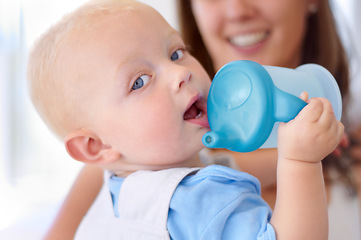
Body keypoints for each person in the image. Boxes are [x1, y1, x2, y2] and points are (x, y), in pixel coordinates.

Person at [42, 0, 360, 239]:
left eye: (176, 53)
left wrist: (329, 152)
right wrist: (300, 160)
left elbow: (219, 164)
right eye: (138, 81)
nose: (181, 73)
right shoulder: (200, 195)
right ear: (96, 146)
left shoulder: (131, 175)